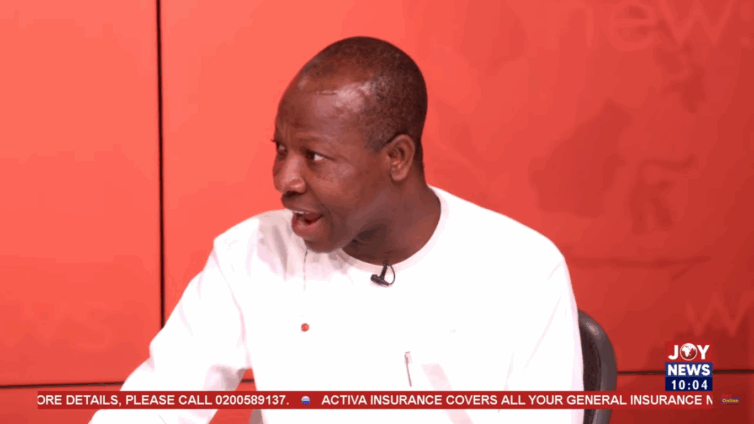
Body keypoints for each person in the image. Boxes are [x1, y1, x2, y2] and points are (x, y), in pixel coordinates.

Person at [90, 36, 584, 424]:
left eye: (315, 157)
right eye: (281, 149)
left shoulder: (523, 269)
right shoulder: (251, 253)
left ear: (397, 157)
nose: (285, 180)